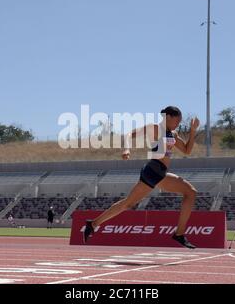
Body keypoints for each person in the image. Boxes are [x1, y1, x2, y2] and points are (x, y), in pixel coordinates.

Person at [83, 106, 200, 249]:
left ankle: (93, 223)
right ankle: (179, 234)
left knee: (127, 204)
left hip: (159, 173)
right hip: (153, 170)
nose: (178, 124)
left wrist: (193, 132)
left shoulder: (173, 134)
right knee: (190, 192)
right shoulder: (155, 128)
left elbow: (187, 151)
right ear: (167, 117)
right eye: (177, 121)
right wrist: (126, 148)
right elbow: (128, 134)